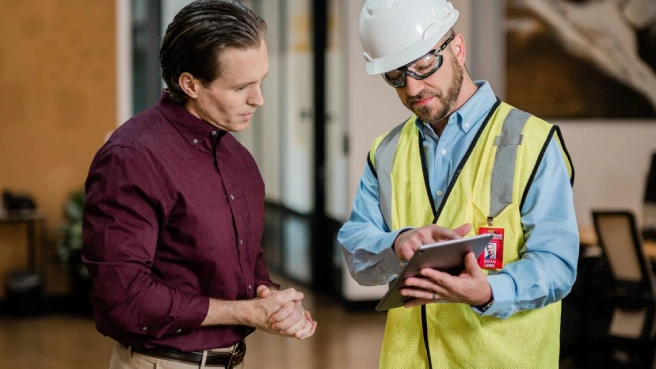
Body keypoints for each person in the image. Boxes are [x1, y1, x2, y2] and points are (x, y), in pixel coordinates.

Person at [338, 0, 578, 367]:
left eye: (423, 66)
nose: (413, 87)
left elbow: (557, 264)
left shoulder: (533, 141)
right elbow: (356, 247)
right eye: (396, 76)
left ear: (458, 48)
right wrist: (398, 242)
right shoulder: (385, 152)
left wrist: (488, 291)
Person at [82, 1, 316, 368]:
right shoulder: (132, 157)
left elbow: (249, 257)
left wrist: (270, 300)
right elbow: (123, 300)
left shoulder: (238, 159)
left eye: (261, 81)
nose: (259, 99)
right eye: (241, 87)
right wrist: (245, 312)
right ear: (190, 84)